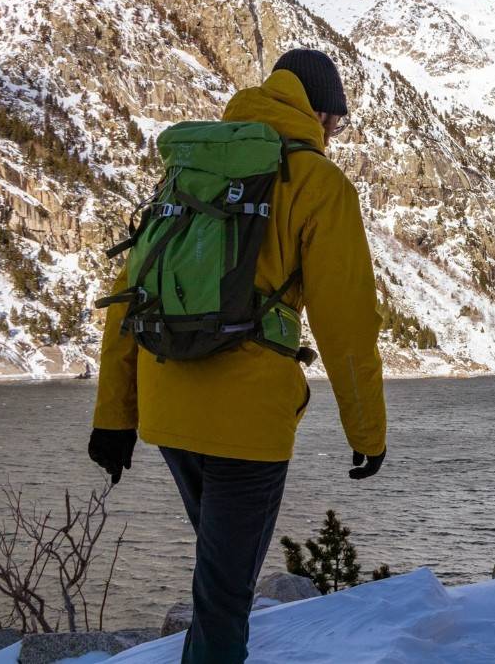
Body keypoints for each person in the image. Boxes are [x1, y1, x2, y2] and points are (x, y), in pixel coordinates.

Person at [87, 48, 388, 663]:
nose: (337, 133)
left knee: (219, 573)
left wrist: (113, 418)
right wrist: (367, 431)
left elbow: (132, 294)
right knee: (226, 591)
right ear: (324, 114)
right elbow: (347, 322)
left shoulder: (193, 168)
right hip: (247, 422)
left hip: (167, 405)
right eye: (340, 121)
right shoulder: (319, 183)